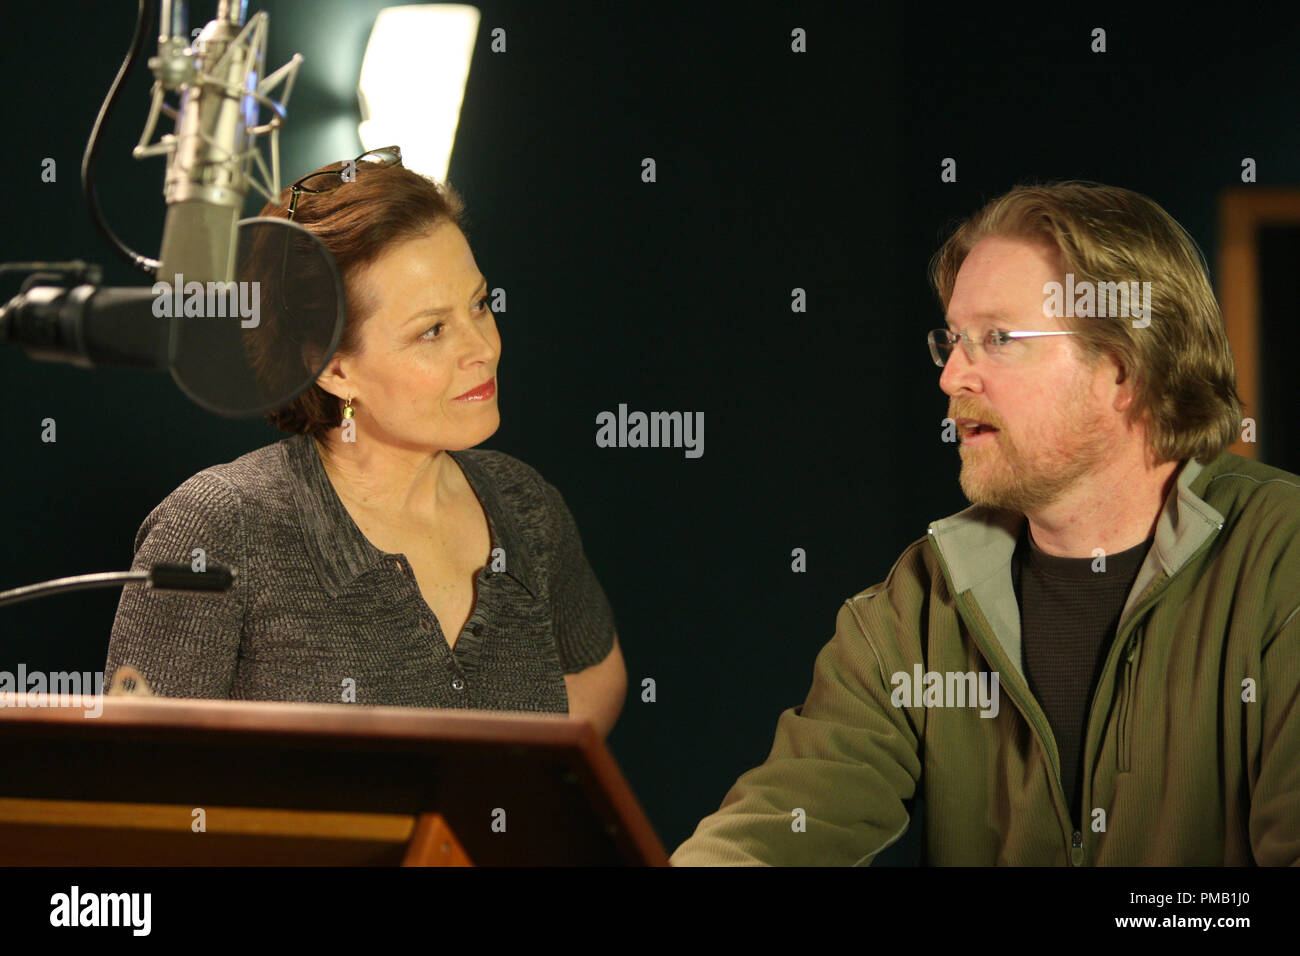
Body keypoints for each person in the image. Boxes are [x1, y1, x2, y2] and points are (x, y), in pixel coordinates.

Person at [671, 181, 1300, 864]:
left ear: (1122, 369)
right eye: (954, 340)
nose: (952, 378)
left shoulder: (1281, 557)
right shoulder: (918, 601)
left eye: (998, 338)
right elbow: (774, 829)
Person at [105, 148, 626, 737]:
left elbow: (596, 679)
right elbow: (136, 778)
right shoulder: (219, 526)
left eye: (479, 305)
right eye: (432, 330)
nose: (482, 347)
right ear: (333, 369)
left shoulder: (525, 504)